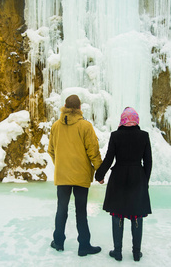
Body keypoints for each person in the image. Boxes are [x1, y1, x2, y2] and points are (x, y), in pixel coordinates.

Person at [95, 107, 152, 262]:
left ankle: (118, 252)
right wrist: (144, 182)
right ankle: (136, 253)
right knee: (137, 216)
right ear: (136, 119)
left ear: (123, 120)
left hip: (118, 177)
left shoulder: (115, 136)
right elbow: (148, 162)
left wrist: (99, 175)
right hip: (137, 177)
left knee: (117, 214)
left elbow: (109, 158)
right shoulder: (144, 136)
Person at [48, 94, 102, 256]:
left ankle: (58, 242)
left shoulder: (56, 126)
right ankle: (84, 245)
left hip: (62, 176)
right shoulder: (85, 126)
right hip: (81, 176)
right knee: (81, 211)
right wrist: (100, 172)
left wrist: (60, 165)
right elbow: (93, 152)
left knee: (61, 209)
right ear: (79, 108)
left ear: (65, 106)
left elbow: (51, 150)